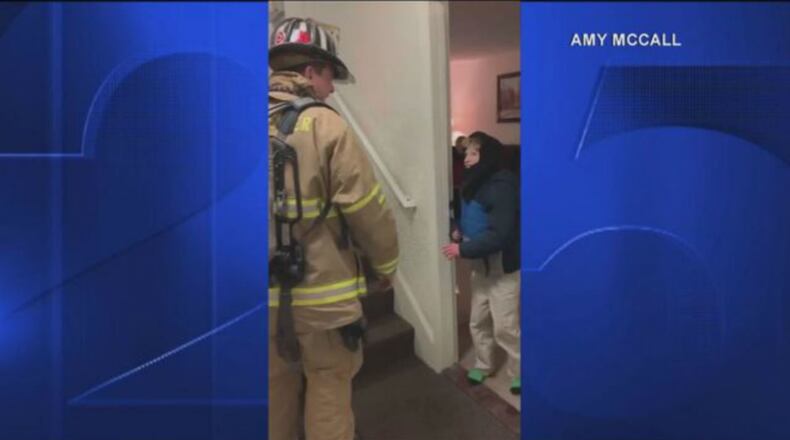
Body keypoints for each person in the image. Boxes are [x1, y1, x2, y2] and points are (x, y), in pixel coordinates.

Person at [268, 17, 399, 440]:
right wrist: (386, 266)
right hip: (324, 302)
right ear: (310, 72)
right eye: (329, 77)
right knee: (328, 388)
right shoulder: (327, 126)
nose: (332, 89)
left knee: (273, 392)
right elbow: (367, 209)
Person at [442, 131, 521, 394]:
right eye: (466, 153)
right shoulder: (473, 183)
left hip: (503, 269)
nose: (466, 158)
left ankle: (518, 371)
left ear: (487, 157)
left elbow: (500, 234)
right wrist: (458, 230)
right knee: (477, 321)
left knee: (505, 326)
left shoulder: (502, 186)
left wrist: (461, 249)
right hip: (480, 267)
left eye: (474, 153)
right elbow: (468, 216)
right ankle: (484, 364)